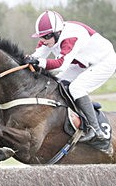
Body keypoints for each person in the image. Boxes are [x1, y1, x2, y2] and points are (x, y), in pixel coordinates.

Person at [25, 10, 116, 141]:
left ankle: (95, 130)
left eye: (46, 36)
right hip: (82, 63)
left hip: (104, 61)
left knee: (76, 88)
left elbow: (60, 65)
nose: (43, 40)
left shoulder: (71, 37)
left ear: (58, 33)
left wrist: (38, 62)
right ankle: (82, 110)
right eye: (41, 37)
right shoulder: (50, 38)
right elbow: (35, 56)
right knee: (57, 84)